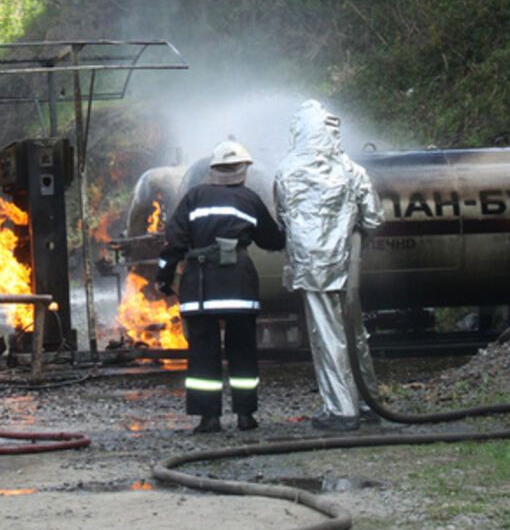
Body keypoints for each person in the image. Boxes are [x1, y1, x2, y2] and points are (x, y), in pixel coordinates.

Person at [158, 140, 285, 434]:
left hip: (200, 288)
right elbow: (271, 240)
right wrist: (287, 229)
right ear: (244, 171)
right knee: (243, 349)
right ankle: (245, 416)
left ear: (213, 170)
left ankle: (209, 419)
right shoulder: (249, 200)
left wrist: (163, 277)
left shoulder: (193, 198)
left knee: (203, 353)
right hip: (238, 286)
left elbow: (173, 242)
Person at [273, 100, 385, 432]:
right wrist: (352, 239)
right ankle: (366, 402)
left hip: (311, 269)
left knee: (327, 337)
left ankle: (341, 410)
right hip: (347, 267)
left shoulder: (286, 170)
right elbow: (374, 218)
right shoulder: (351, 170)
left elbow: (283, 219)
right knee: (355, 334)